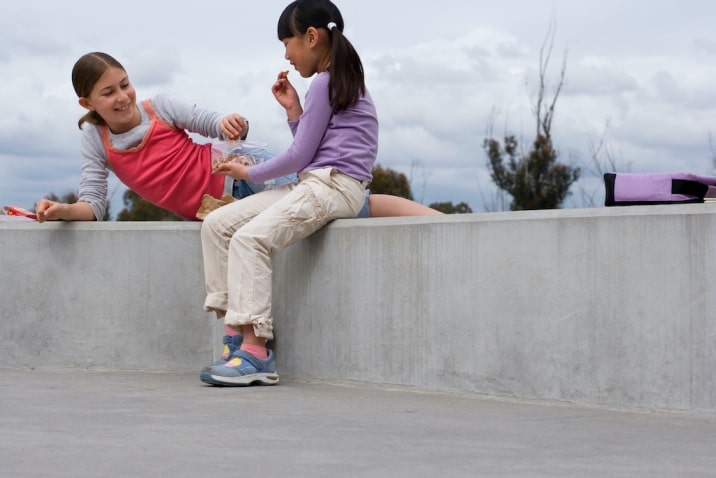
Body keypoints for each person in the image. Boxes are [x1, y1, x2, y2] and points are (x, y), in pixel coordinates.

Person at [199, 0, 382, 386]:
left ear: (311, 37)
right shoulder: (333, 81)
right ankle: (235, 334)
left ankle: (255, 351)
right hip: (317, 181)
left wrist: (249, 171)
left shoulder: (325, 81)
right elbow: (310, 154)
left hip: (335, 186)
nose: (286, 54)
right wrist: (294, 110)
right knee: (217, 225)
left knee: (249, 239)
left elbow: (301, 156)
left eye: (288, 43)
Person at [35, 52, 441, 223]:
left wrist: (233, 123)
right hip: (216, 210)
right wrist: (61, 212)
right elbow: (92, 203)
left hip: (244, 172)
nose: (123, 97)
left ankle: (445, 223)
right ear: (86, 101)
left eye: (125, 84)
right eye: (109, 93)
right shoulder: (96, 138)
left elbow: (213, 122)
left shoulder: (159, 107)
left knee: (352, 208)